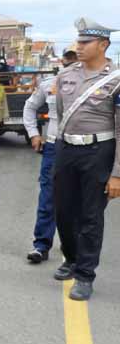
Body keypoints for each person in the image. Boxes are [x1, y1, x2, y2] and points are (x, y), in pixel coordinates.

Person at [52, 17, 120, 301]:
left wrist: (117, 173)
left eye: (84, 42)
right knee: (63, 211)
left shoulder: (116, 79)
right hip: (67, 150)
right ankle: (71, 257)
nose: (77, 47)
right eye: (77, 42)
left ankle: (85, 275)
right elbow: (60, 114)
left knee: (91, 215)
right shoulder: (65, 75)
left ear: (103, 45)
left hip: (99, 152)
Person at [23, 50, 78, 263]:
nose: (70, 65)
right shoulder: (49, 84)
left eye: (75, 61)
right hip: (54, 146)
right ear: (61, 63)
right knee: (48, 197)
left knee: (77, 198)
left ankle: (71, 247)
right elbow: (30, 107)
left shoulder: (91, 85)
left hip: (80, 148)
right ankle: (41, 245)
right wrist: (34, 134)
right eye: (67, 61)